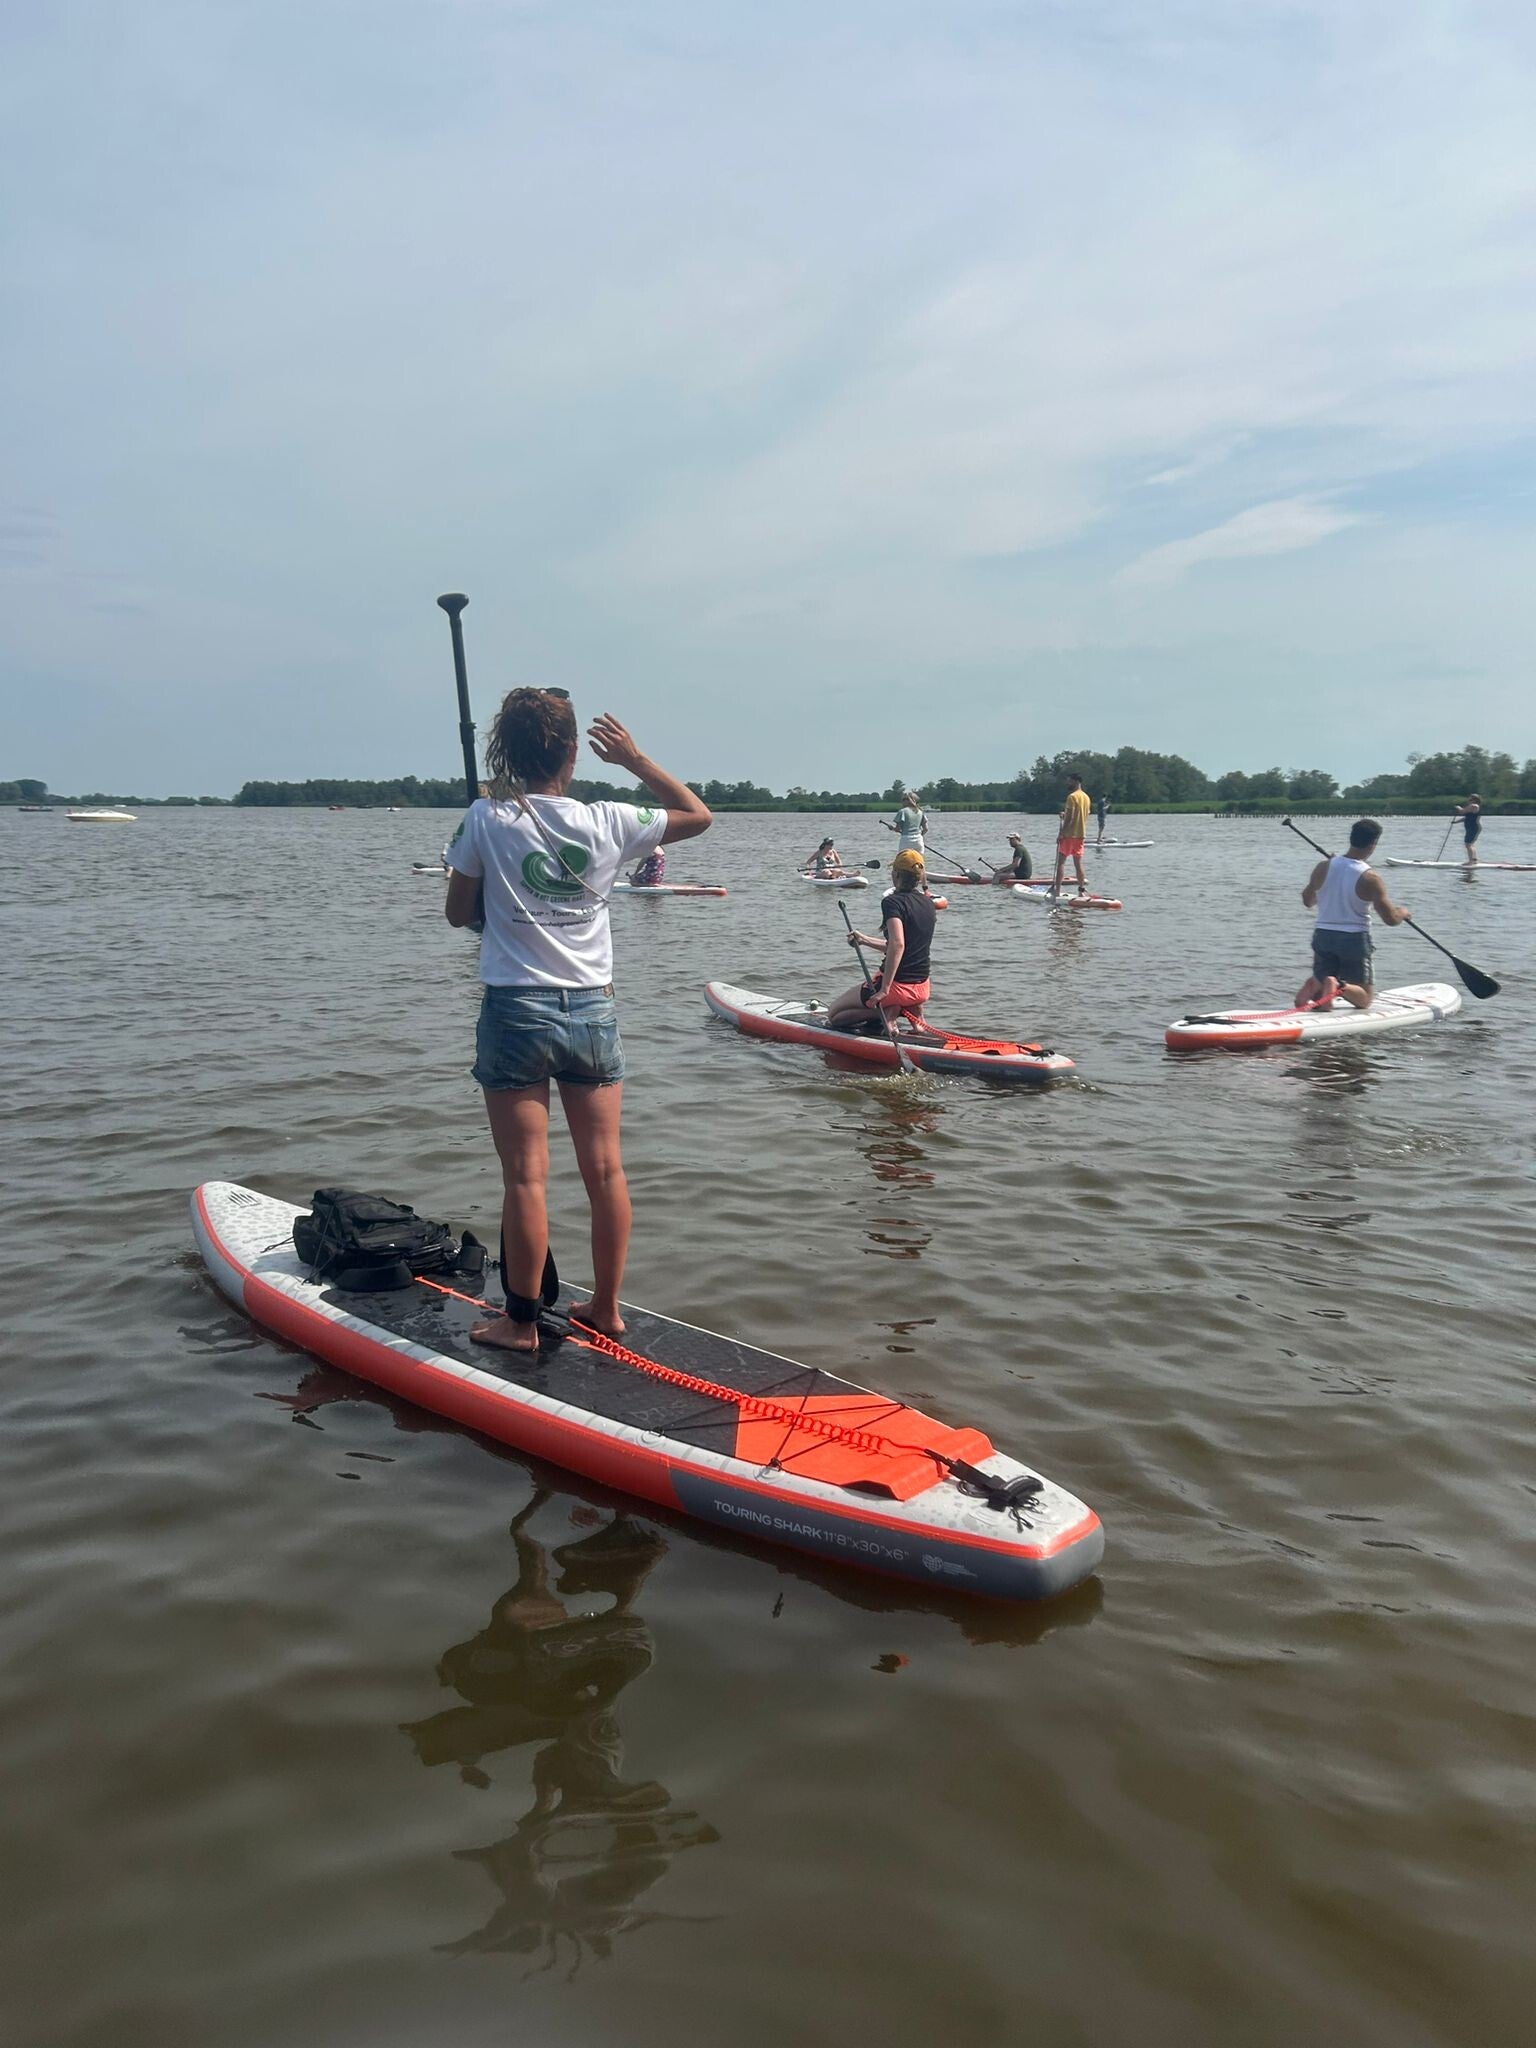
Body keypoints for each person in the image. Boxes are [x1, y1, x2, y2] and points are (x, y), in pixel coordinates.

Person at [444, 689, 711, 1352]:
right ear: (571, 751)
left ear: (506, 752)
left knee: (525, 1175)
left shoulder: (486, 817)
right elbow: (698, 815)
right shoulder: (610, 819)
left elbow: (457, 913)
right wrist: (635, 759)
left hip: (515, 1010)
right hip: (592, 1008)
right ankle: (607, 1309)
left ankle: (520, 1324)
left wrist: (494, 902)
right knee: (606, 1170)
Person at [1296, 818, 1409, 1011]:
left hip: (1323, 935)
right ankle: (1338, 985)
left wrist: (1330, 877)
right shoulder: (1371, 877)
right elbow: (1390, 919)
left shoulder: (1323, 867)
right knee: (1365, 1000)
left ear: (1351, 838)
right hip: (1354, 938)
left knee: (1322, 992)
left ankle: (1317, 985)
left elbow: (1308, 901)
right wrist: (1404, 913)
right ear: (1373, 844)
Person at [826, 850, 936, 1034]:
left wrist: (884, 989)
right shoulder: (928, 903)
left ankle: (887, 1012)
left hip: (895, 988)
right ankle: (917, 1021)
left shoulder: (892, 902)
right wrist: (864, 940)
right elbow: (904, 946)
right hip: (922, 988)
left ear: (896, 874)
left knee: (835, 1015)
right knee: (903, 998)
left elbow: (898, 945)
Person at [1052, 772, 1091, 896]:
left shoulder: (1072, 797)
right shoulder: (1086, 797)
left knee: (1061, 863)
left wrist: (1061, 833)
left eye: (1069, 781)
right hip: (1081, 835)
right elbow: (1083, 814)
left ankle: (1057, 891)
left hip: (1069, 835)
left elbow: (1070, 818)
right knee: (1078, 864)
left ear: (1076, 781)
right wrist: (1065, 815)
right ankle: (1081, 891)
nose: (1067, 783)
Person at [882, 790, 928, 857]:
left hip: (906, 840)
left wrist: (892, 828)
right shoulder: (920, 812)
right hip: (919, 840)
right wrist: (919, 836)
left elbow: (898, 829)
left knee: (903, 860)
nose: (902, 801)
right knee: (919, 861)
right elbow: (926, 829)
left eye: (903, 799)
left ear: (908, 800)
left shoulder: (902, 811)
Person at [1453, 793, 1483, 867]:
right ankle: (1474, 860)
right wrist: (1455, 822)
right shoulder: (1471, 807)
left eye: (1470, 799)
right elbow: (1466, 818)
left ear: (1474, 800)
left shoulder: (1474, 806)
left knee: (1468, 844)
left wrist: (1458, 808)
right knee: (1470, 844)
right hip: (1470, 827)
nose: (1468, 800)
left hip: (1473, 827)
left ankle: (1471, 861)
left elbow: (1462, 811)